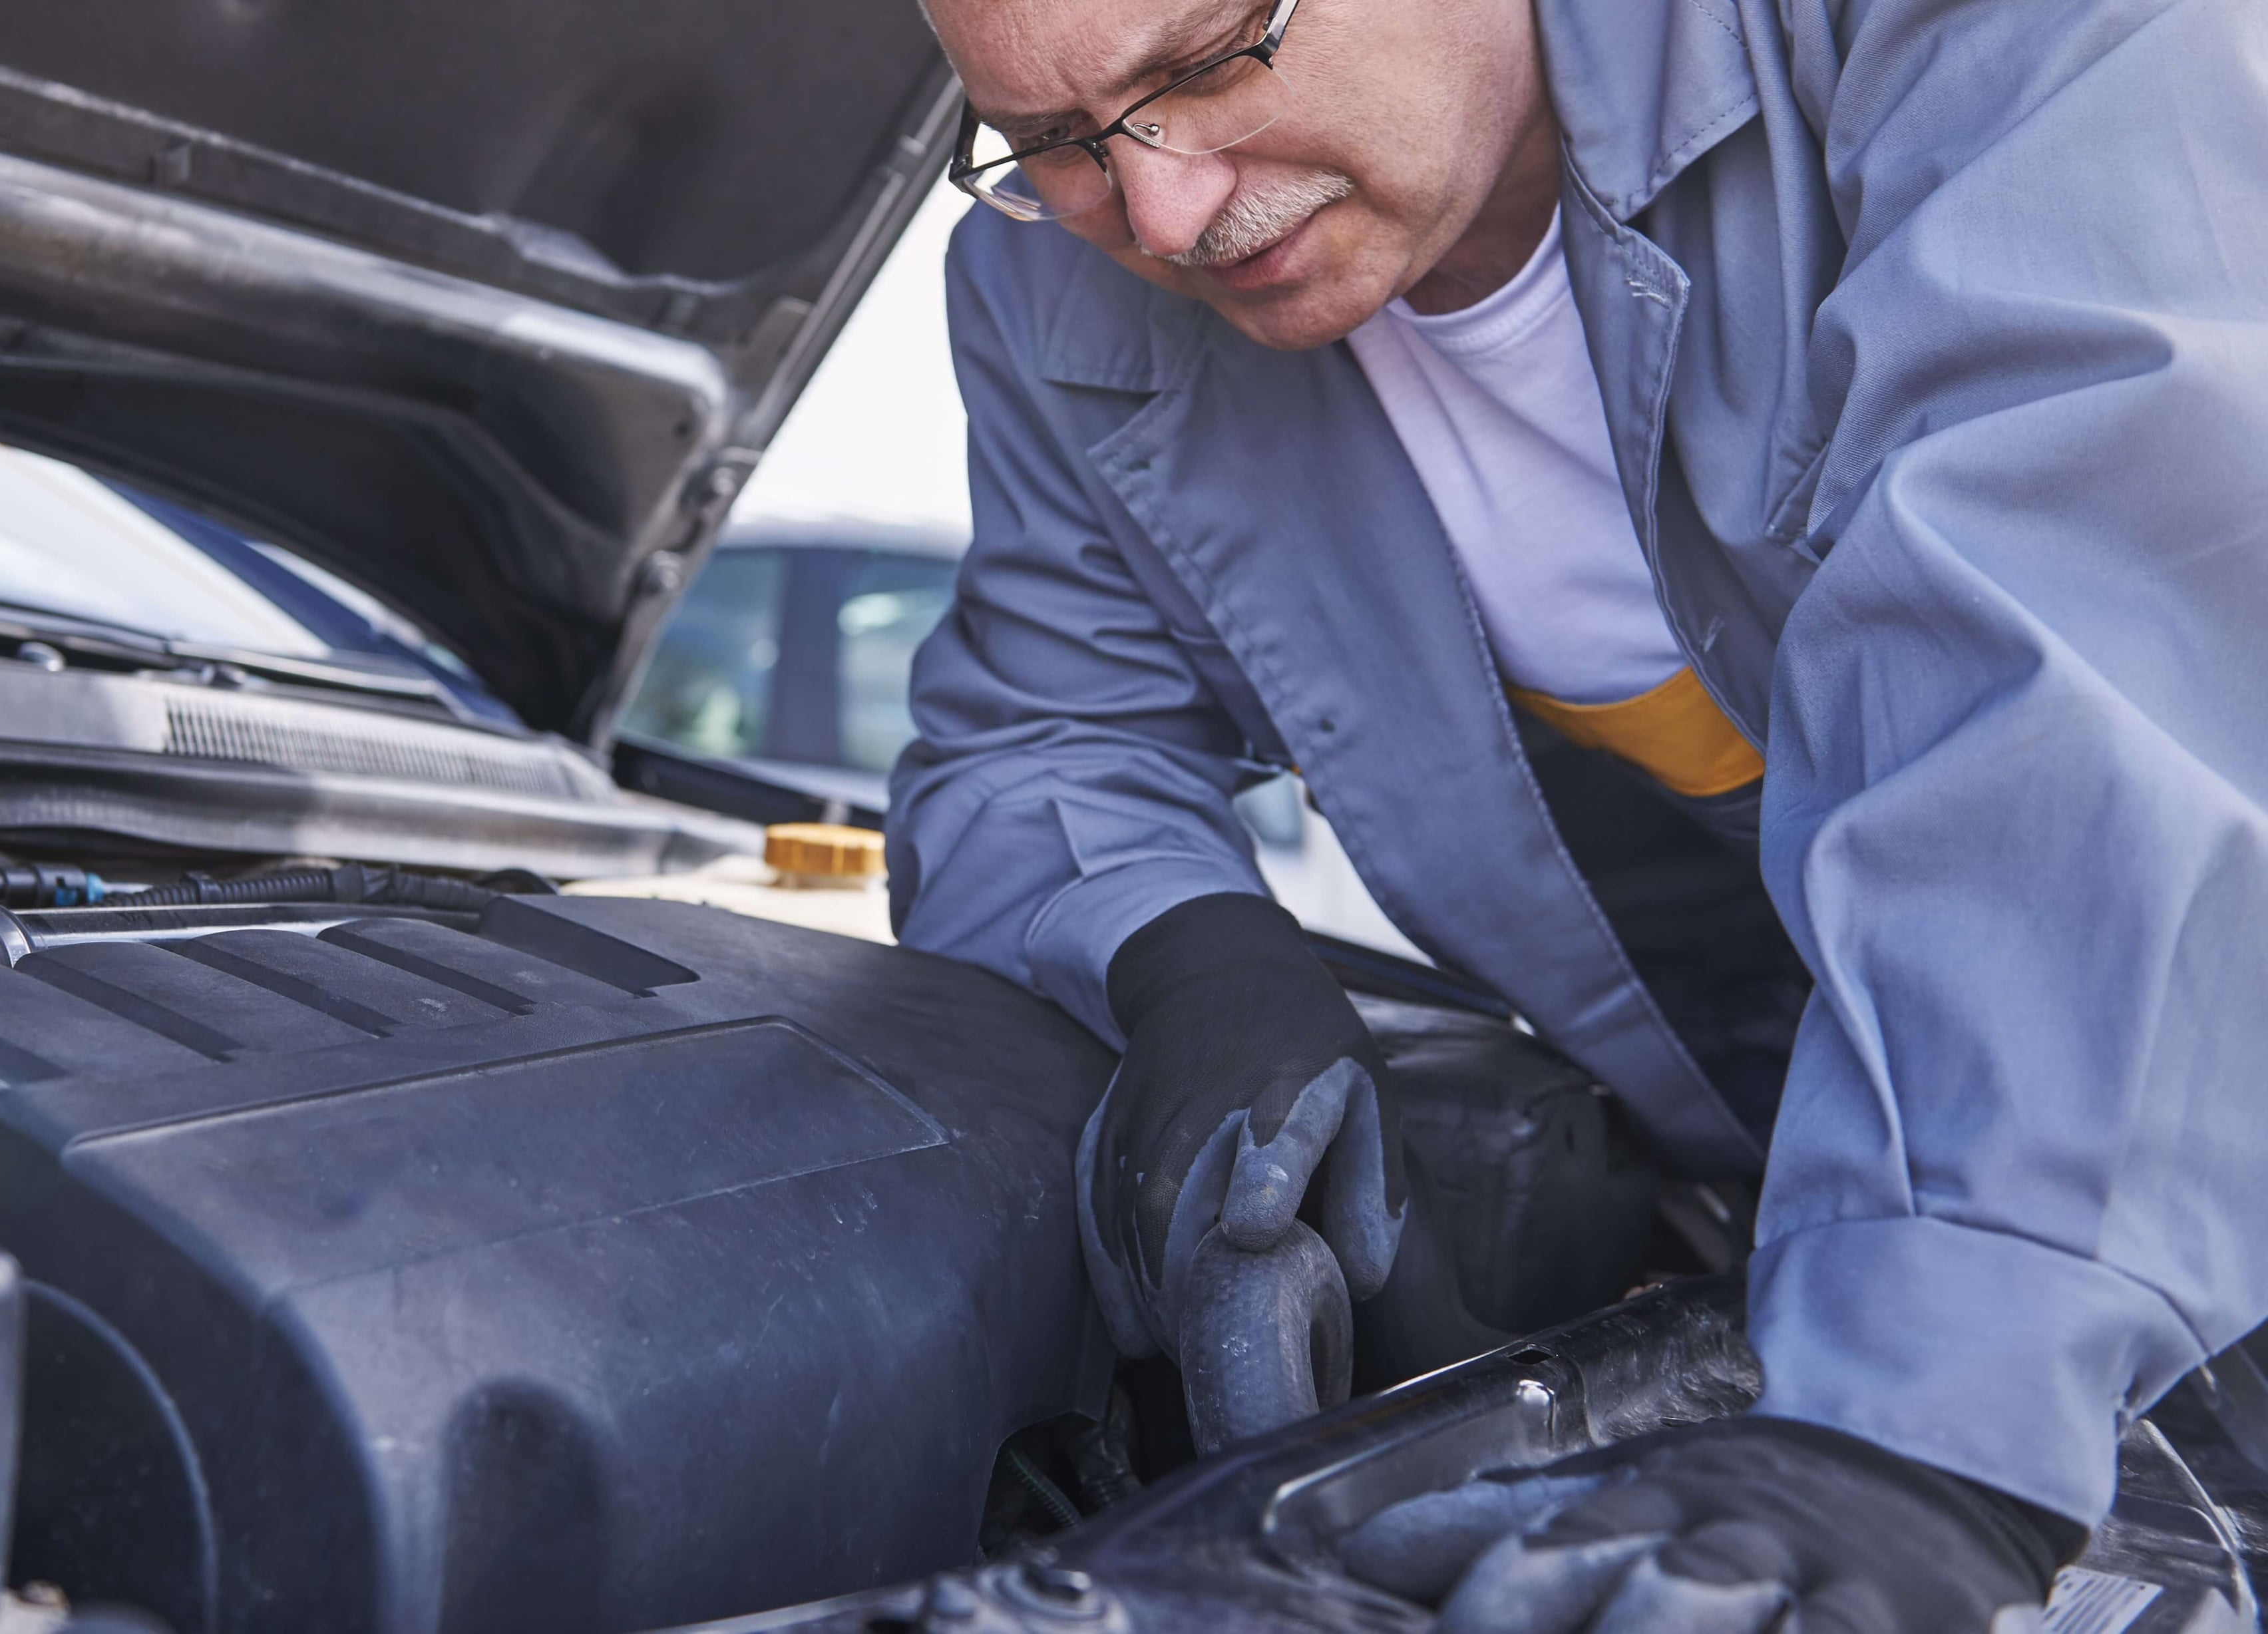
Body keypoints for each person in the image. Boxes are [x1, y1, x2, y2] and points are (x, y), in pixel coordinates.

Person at [880, 0, 2268, 1625]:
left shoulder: (1998, 33)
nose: (1168, 212)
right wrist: (1189, 958)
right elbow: (1040, 732)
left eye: (1203, 63)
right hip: (1803, 1202)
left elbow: (2089, 651)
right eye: (1054, 142)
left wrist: (1922, 1425)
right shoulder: (1057, 284)